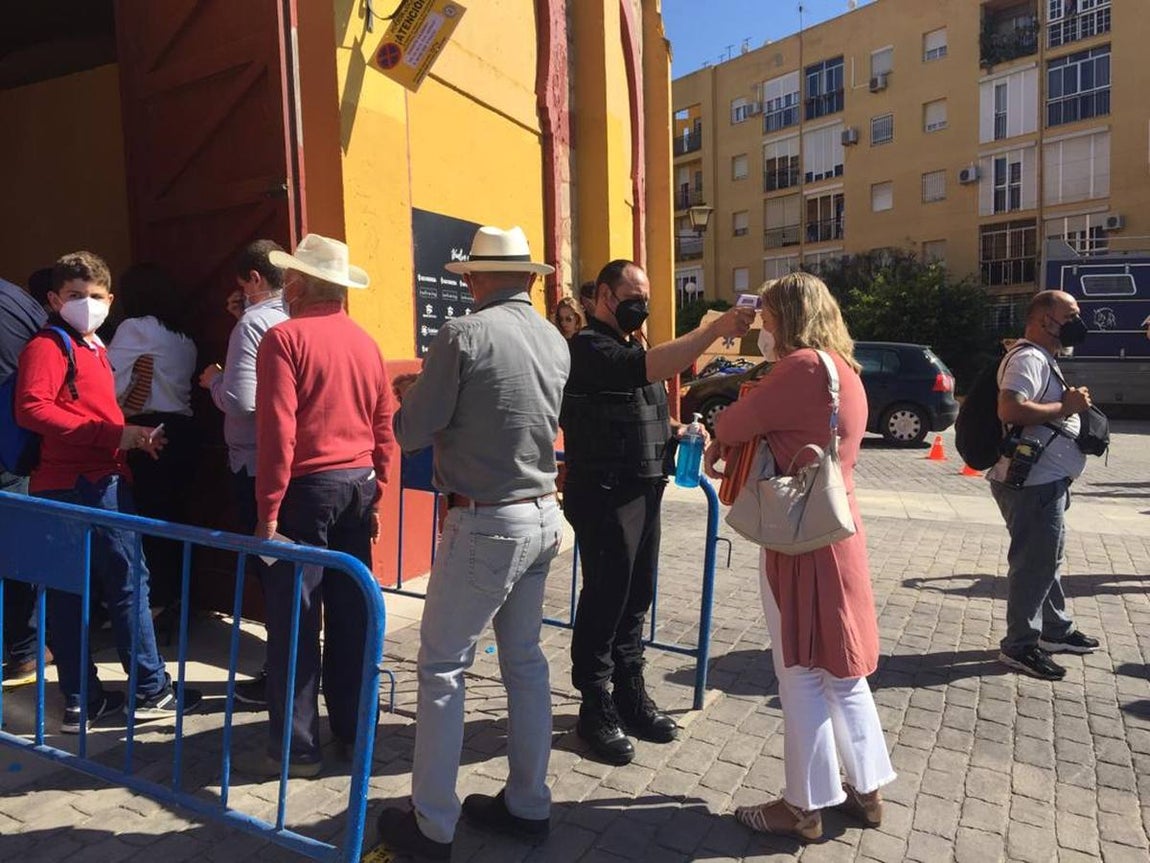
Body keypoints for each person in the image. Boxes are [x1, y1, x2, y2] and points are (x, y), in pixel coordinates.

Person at [376, 226, 569, 860]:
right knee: (525, 662)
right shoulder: (552, 337)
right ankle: (527, 803)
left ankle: (432, 824)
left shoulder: (462, 335)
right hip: (541, 512)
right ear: (530, 279)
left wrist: (409, 403)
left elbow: (414, 430)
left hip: (486, 520)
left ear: (476, 279)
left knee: (441, 669)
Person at [707, 272, 895, 842]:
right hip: (840, 530)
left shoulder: (801, 367)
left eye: (765, 315)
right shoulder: (845, 370)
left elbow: (732, 422)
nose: (762, 326)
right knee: (842, 669)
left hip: (800, 538)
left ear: (787, 315)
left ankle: (803, 807)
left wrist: (723, 430)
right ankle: (867, 789)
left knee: (800, 672)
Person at [561, 259, 754, 765]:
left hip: (642, 486)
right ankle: (594, 703)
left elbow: (644, 400)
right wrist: (713, 330)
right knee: (606, 595)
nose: (640, 305)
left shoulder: (632, 345)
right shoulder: (587, 347)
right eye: (631, 295)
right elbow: (645, 372)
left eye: (645, 296)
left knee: (637, 594)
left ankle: (629, 692)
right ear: (602, 295)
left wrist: (677, 429)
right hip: (603, 490)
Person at [15, 251, 202, 732]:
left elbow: (95, 412)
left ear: (110, 299)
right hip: (77, 485)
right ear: (55, 299)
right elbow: (33, 410)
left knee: (104, 588)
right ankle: (146, 689)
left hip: (101, 478)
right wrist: (113, 436)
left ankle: (87, 698)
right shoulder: (50, 346)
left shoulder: (94, 346)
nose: (86, 304)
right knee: (114, 588)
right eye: (75, 296)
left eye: (95, 296)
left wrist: (133, 438)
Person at [247, 234, 397, 777]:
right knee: (352, 615)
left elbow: (277, 432)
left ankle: (297, 748)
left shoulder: (284, 340)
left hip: (306, 493)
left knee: (295, 623)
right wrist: (378, 489)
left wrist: (267, 513)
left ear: (299, 283)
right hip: (357, 485)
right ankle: (357, 735)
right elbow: (385, 427)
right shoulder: (365, 342)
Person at [989, 290, 1099, 680]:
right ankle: (1020, 646)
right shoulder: (1027, 359)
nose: (1077, 321)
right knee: (1034, 564)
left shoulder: (1044, 358)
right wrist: (1065, 407)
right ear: (1042, 321)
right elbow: (1010, 408)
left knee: (1046, 559)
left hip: (1046, 480)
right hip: (1031, 483)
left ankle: (1055, 630)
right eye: (1069, 315)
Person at [198, 239, 289, 707]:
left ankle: (280, 673)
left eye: (243, 285)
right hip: (296, 461)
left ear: (254, 279)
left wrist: (214, 380)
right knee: (295, 572)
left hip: (253, 462)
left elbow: (242, 401)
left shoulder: (253, 325)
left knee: (271, 570)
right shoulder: (297, 317)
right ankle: (297, 667)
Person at [106, 264, 199, 619]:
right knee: (174, 517)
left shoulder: (136, 327)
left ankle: (155, 604)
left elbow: (107, 379)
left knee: (147, 519)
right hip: (183, 431)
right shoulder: (183, 337)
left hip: (148, 431)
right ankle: (177, 599)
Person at [1, 276, 49, 687]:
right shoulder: (16, 299)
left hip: (9, 454)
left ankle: (26, 648)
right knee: (18, 552)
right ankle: (27, 647)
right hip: (16, 451)